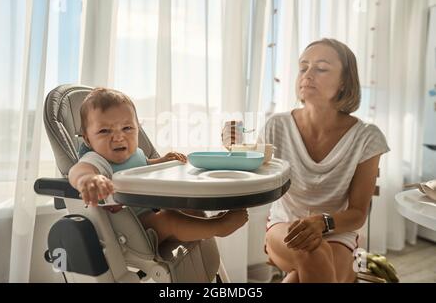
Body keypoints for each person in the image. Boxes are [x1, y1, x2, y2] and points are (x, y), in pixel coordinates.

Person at [257, 38, 389, 282]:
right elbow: (254, 176)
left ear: (343, 82)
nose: (307, 74)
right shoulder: (277, 126)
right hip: (284, 227)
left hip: (337, 231)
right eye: (303, 67)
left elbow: (358, 214)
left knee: (312, 272)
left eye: (321, 68)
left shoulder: (367, 137)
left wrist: (322, 222)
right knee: (312, 251)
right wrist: (233, 147)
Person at [68, 88, 248, 244]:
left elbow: (144, 166)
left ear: (138, 128)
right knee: (169, 219)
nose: (119, 137)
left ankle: (207, 225)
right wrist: (88, 179)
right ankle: (218, 227)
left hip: (150, 211)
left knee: (190, 207)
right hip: (129, 228)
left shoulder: (135, 153)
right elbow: (78, 170)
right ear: (87, 139)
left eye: (127, 128)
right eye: (104, 131)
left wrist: (162, 162)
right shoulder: (97, 160)